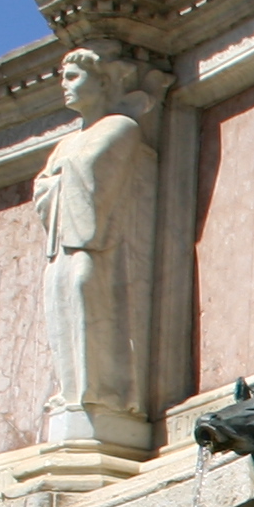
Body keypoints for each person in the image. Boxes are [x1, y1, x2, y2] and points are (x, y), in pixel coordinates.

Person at [35, 46, 156, 441]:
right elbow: (44, 187)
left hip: (96, 245)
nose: (63, 86)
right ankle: (73, 396)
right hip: (63, 243)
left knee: (85, 292)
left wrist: (57, 177)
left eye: (73, 77)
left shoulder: (120, 126)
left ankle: (103, 398)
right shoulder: (65, 143)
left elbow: (90, 174)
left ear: (103, 81)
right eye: (62, 77)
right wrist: (56, 178)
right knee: (58, 298)